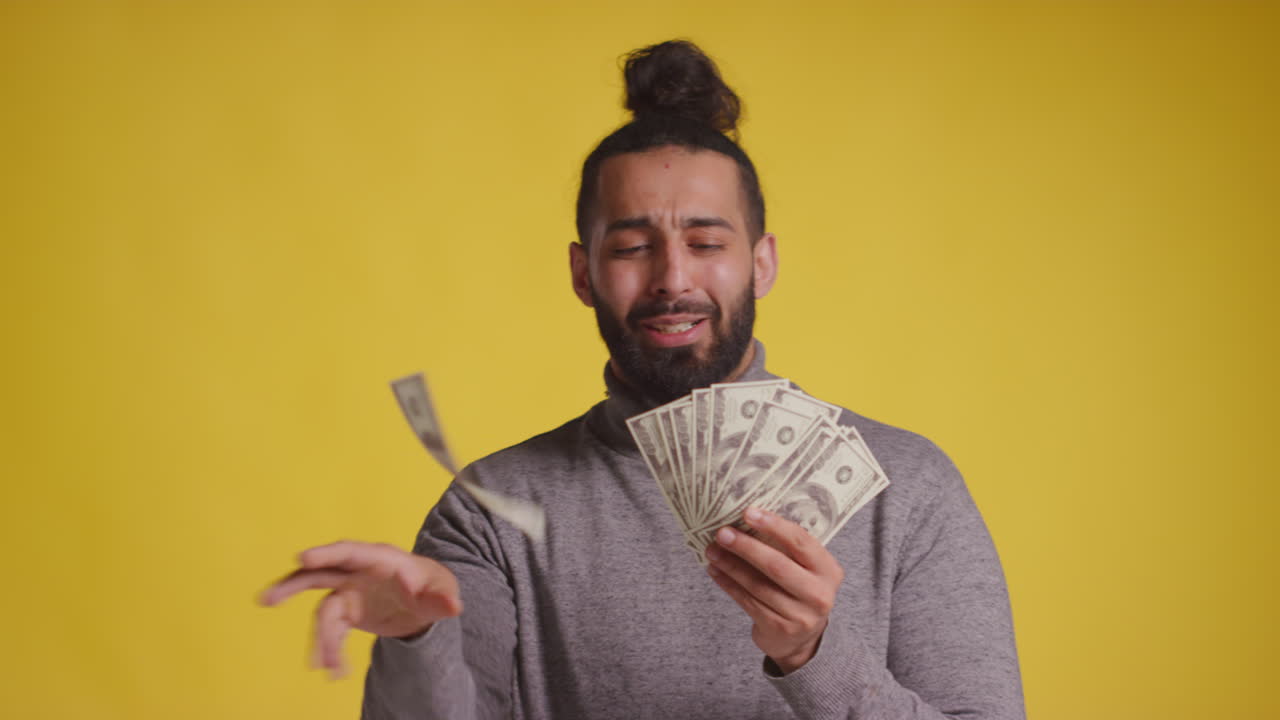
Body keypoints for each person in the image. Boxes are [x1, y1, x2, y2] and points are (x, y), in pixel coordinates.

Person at [261, 40, 1025, 719]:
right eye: (631, 247)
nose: (672, 278)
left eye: (705, 241)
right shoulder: (491, 511)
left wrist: (813, 655)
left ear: (761, 262)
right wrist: (415, 635)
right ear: (582, 273)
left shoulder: (912, 489)